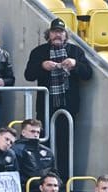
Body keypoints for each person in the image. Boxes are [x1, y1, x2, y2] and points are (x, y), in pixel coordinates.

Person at [24, 18, 93, 180]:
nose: (58, 35)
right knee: (44, 146)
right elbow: (28, 75)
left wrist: (75, 64)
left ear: (66, 35)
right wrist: (42, 66)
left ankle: (64, 183)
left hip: (68, 107)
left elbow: (88, 74)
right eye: (55, 32)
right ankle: (45, 182)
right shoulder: (39, 51)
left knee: (65, 147)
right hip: (46, 107)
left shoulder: (75, 52)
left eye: (61, 32)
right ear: (49, 34)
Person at [13, 119, 57, 189]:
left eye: (38, 132)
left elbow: (54, 173)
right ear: (23, 132)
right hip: (27, 190)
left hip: (48, 190)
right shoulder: (15, 150)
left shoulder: (47, 151)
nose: (36, 135)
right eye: (32, 131)